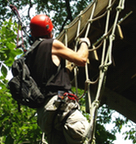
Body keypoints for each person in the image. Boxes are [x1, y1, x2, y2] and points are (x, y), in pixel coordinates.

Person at [26, 14, 91, 144]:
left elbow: (48, 76)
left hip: (45, 115)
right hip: (60, 105)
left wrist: (66, 69)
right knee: (82, 131)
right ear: (49, 30)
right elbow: (82, 59)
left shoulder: (29, 56)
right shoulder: (52, 44)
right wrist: (84, 43)